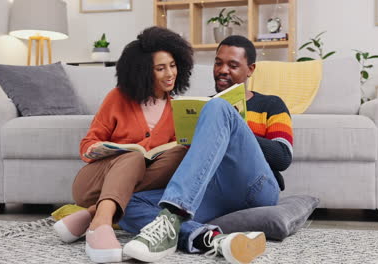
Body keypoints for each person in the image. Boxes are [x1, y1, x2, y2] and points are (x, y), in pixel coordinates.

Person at [119, 35, 293, 264]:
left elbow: (282, 156)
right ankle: (209, 239)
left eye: (232, 65)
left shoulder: (271, 104)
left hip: (257, 185)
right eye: (218, 63)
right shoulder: (204, 107)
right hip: (215, 189)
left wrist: (233, 129)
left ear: (250, 69)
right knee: (128, 204)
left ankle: (172, 216)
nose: (222, 70)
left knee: (218, 107)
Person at [52, 26, 193, 263]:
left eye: (172, 65)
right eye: (160, 68)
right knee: (133, 156)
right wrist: (101, 148)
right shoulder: (118, 98)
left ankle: (93, 214)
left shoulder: (175, 109)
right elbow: (88, 143)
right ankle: (100, 225)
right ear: (143, 72)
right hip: (95, 182)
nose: (170, 73)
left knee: (180, 152)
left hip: (133, 186)